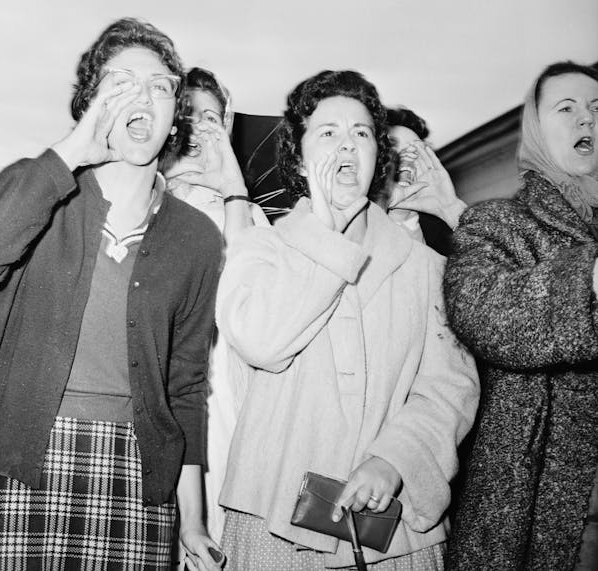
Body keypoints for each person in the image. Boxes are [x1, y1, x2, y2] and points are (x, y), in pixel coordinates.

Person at [0, 18, 225, 571]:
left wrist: (193, 519)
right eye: (122, 83)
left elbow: (185, 387)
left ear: (174, 118)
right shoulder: (42, 188)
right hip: (15, 456)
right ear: (92, 101)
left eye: (160, 86)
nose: (143, 96)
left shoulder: (197, 238)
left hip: (136, 477)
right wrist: (70, 151)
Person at [215, 69, 480, 569]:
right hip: (274, 527)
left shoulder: (424, 266)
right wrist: (325, 234)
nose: (346, 147)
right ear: (298, 153)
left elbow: (450, 387)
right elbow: (262, 343)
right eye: (328, 133)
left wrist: (395, 458)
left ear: (379, 155)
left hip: (393, 538)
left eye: (361, 134)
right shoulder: (260, 248)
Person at [443, 61, 598, 571]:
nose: (587, 120)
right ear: (535, 126)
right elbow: (487, 316)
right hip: (548, 508)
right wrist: (589, 277)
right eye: (567, 108)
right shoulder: (497, 224)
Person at [162, 67, 268, 545]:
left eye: (213, 117)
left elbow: (259, 294)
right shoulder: (144, 193)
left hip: (227, 386)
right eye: (189, 115)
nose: (202, 127)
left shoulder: (248, 208)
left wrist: (231, 190)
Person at [384, 107, 466, 254]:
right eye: (394, 146)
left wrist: (451, 209)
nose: (408, 156)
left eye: (417, 149)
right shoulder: (356, 224)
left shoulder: (440, 226)